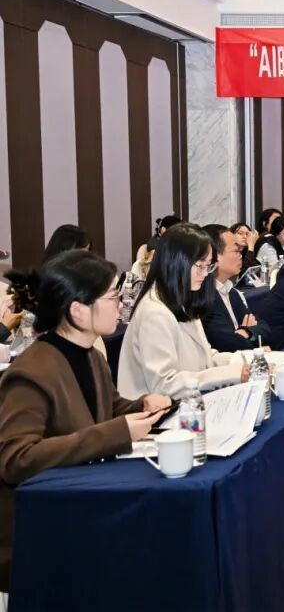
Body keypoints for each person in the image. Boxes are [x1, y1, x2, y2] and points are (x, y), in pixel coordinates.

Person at [0, 251, 170, 590]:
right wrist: (116, 433)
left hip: (83, 503)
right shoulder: (31, 372)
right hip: (43, 527)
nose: (121, 305)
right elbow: (16, 459)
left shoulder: (90, 354)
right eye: (113, 296)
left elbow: (104, 408)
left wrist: (142, 406)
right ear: (78, 311)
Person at [117, 224, 247, 397]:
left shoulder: (183, 299)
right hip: (158, 410)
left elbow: (206, 358)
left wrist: (246, 360)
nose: (205, 274)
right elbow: (165, 385)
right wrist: (227, 374)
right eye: (200, 266)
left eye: (209, 266)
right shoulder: (154, 312)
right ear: (177, 264)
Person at [201, 225, 271, 352]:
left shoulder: (231, 291)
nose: (241, 256)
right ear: (214, 256)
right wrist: (247, 337)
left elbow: (264, 328)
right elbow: (227, 344)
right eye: (236, 251)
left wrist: (245, 331)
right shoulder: (205, 296)